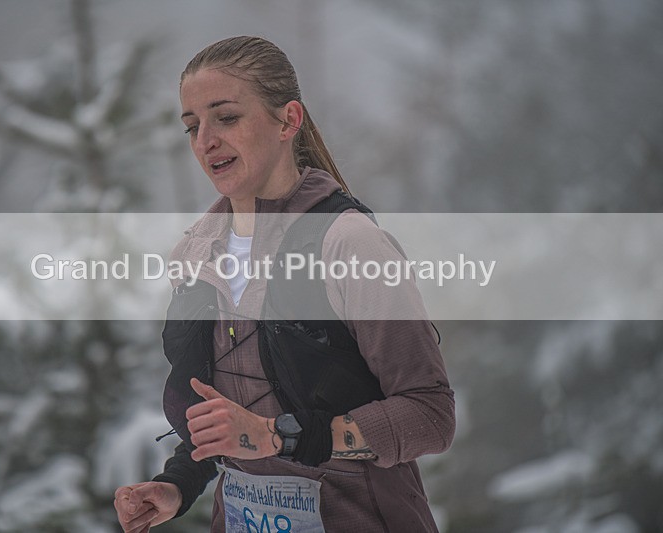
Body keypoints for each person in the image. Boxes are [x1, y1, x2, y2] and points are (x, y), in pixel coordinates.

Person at [114, 36, 455, 533]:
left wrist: (279, 437)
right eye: (192, 126)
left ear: (288, 120)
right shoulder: (196, 254)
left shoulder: (349, 244)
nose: (205, 140)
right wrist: (177, 485)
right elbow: (229, 421)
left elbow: (430, 415)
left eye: (226, 117)